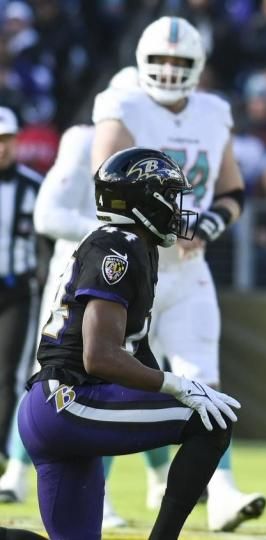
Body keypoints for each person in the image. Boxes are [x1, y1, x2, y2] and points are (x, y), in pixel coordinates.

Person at [90, 17, 263, 532]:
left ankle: (224, 491)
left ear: (199, 66)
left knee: (204, 380)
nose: (169, 70)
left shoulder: (213, 112)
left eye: (181, 62)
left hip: (188, 271)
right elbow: (105, 190)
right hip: (131, 268)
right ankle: (95, 492)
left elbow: (233, 191)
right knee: (111, 380)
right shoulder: (122, 104)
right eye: (161, 60)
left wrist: (206, 225)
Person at [20, 146, 240, 539]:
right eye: (171, 197)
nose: (176, 208)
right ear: (144, 201)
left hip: (52, 405)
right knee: (211, 424)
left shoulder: (130, 244)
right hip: (70, 401)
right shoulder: (117, 247)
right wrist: (178, 384)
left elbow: (133, 349)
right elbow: (100, 356)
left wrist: (169, 385)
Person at [0, 68, 143, 530]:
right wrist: (109, 236)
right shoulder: (84, 141)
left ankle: (144, 487)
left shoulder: (156, 142)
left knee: (126, 369)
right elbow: (49, 214)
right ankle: (19, 472)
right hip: (82, 279)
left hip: (115, 273)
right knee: (64, 375)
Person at [0, 106, 43, 464]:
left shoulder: (33, 186)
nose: (1, 148)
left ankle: (2, 450)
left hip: (16, 289)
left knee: (10, 372)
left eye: (6, 140)